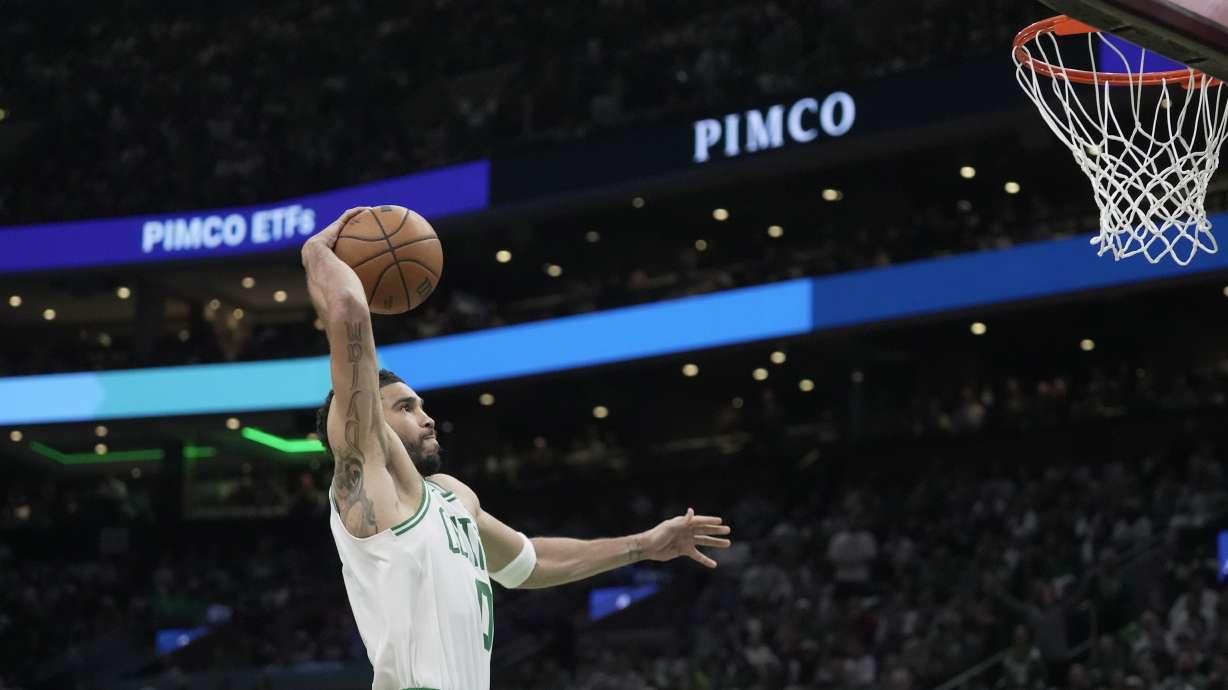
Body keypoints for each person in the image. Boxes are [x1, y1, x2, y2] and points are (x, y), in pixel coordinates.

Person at [301, 208, 732, 690]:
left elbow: (529, 562)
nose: (426, 416)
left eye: (421, 405)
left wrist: (644, 546)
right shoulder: (366, 483)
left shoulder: (451, 495)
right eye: (404, 407)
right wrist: (316, 255)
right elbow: (350, 314)